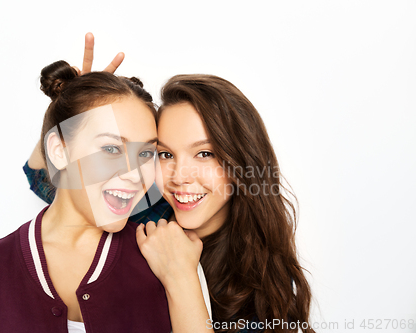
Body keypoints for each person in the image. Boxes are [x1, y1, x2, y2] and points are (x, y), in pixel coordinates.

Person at [24, 35, 314, 332]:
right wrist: (78, 116)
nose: (180, 176)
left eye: (205, 153)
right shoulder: (137, 214)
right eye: (164, 154)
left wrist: (181, 277)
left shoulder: (259, 284)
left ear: (241, 163)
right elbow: (42, 178)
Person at [0, 57, 175, 332]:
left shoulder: (170, 263)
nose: (135, 173)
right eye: (112, 149)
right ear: (59, 150)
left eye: (145, 153)